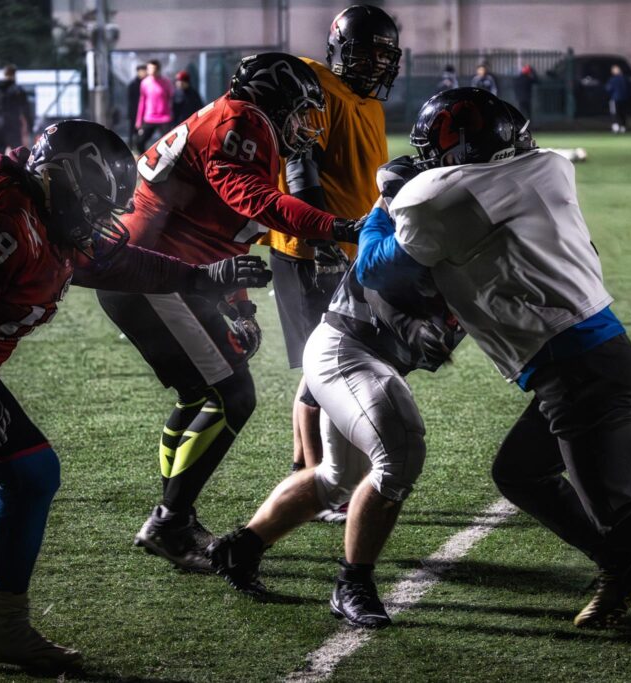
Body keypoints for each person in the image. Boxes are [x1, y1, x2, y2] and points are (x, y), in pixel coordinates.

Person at [354, 88, 631, 639]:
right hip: (590, 353)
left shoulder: (443, 197)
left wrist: (382, 204)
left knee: (622, 513)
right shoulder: (547, 166)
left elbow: (375, 268)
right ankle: (621, 566)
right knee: (520, 472)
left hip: (577, 366)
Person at [0, 119, 271, 673]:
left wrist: (203, 277)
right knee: (31, 473)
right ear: (59, 180)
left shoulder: (45, 220)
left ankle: (5, 625)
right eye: (90, 206)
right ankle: (5, 626)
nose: (95, 222)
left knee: (32, 474)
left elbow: (122, 263)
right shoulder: (3, 221)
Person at [97, 52, 363, 573]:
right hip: (153, 271)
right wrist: (336, 226)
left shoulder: (236, 122)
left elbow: (220, 229)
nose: (304, 126)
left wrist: (237, 304)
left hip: (156, 269)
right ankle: (170, 521)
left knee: (201, 392)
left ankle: (174, 516)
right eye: (299, 112)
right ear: (274, 102)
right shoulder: (242, 121)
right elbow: (255, 202)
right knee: (232, 394)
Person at [206, 156, 462, 628]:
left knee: (337, 477)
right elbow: (375, 273)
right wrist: (412, 325)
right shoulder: (410, 208)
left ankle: (240, 547)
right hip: (349, 347)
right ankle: (353, 584)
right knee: (400, 453)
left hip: (363, 355)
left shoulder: (465, 212)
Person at [256, 4, 402, 521]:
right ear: (338, 50)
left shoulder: (369, 104)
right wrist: (320, 240)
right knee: (322, 369)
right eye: (364, 54)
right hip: (311, 251)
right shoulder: (317, 87)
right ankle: (315, 478)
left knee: (336, 362)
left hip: (352, 250)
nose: (374, 65)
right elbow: (301, 165)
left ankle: (311, 472)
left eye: (383, 56)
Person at [0, 65, 33, 152]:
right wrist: (30, 126)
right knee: (16, 153)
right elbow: (26, 110)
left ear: (4, 74)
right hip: (13, 126)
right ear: (14, 75)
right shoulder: (18, 90)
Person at [135, 59, 174, 154]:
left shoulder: (166, 82)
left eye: (154, 69)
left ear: (158, 69)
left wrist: (172, 116)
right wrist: (139, 120)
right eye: (150, 68)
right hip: (149, 118)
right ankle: (145, 159)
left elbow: (171, 99)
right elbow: (142, 102)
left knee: (170, 144)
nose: (152, 71)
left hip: (164, 118)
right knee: (139, 142)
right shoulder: (144, 83)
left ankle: (166, 161)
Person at [127, 63, 147, 149]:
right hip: (134, 111)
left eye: (144, 71)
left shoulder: (147, 83)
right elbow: (130, 100)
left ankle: (140, 146)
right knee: (133, 130)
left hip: (145, 112)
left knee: (144, 131)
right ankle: (131, 146)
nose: (143, 73)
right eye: (142, 71)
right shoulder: (132, 84)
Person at [606, 64, 629, 134]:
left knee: (614, 113)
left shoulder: (613, 79)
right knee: (622, 113)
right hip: (624, 98)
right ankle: (623, 127)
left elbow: (608, 89)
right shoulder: (624, 79)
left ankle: (615, 127)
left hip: (615, 98)